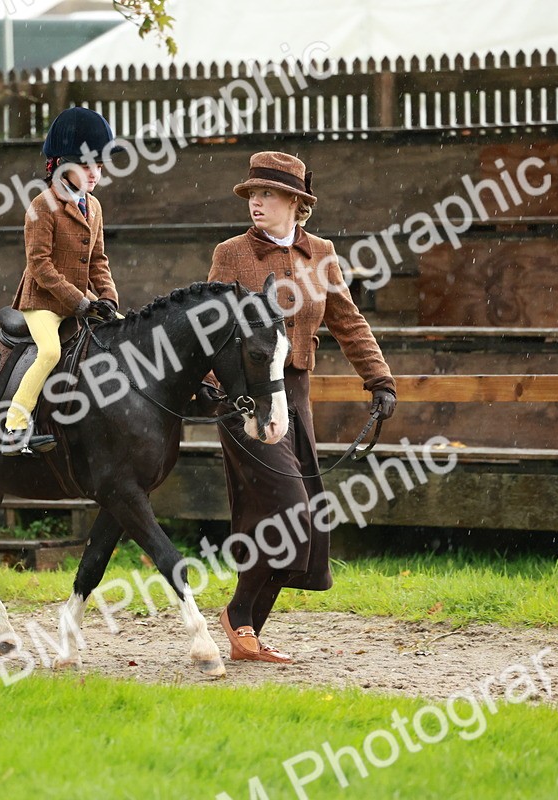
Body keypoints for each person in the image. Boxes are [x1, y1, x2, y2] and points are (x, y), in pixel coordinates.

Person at [207, 152, 396, 664]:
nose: (256, 203)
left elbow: (348, 322)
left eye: (267, 194)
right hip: (245, 397)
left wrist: (379, 379)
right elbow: (209, 326)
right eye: (252, 194)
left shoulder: (322, 255)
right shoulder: (230, 254)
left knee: (305, 516)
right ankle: (239, 615)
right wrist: (209, 387)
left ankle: (245, 629)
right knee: (288, 507)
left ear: (296, 202)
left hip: (295, 396)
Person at [2, 107, 120, 456]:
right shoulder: (42, 205)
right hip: (42, 301)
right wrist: (79, 302)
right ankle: (14, 427)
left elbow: (98, 260)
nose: (95, 173)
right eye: (87, 165)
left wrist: (108, 297)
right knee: (50, 352)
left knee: (124, 331)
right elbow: (40, 265)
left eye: (99, 166)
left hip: (80, 299)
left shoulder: (94, 207)